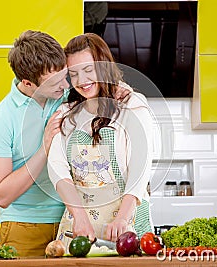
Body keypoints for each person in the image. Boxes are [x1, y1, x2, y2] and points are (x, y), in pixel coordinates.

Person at [0, 30, 131, 257]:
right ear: (28, 83)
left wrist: (114, 88)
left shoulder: (65, 95)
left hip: (73, 222)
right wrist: (44, 148)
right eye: (55, 82)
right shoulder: (1, 119)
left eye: (65, 74)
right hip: (25, 228)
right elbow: (1, 196)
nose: (66, 84)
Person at [47, 33, 154, 250]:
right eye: (74, 74)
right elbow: (57, 169)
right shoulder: (66, 113)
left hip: (127, 226)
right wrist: (79, 217)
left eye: (88, 70)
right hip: (78, 230)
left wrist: (122, 219)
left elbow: (141, 168)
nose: (82, 81)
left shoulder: (132, 106)